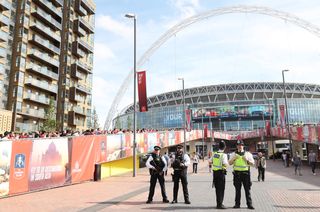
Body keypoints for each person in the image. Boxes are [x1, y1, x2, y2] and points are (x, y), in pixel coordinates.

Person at [229, 140, 255, 210]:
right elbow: (229, 163)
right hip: (237, 174)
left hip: (246, 174)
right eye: (238, 145)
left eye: (241, 145)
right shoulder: (233, 154)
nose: (239, 146)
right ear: (236, 146)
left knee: (247, 190)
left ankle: (249, 204)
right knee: (237, 190)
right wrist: (234, 159)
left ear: (243, 146)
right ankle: (237, 204)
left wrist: (246, 160)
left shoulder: (248, 154)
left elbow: (253, 164)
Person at [211, 140, 228, 209]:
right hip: (221, 173)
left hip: (215, 173)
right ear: (225, 147)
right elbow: (225, 164)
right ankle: (220, 204)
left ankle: (218, 203)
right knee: (221, 189)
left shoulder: (214, 154)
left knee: (217, 189)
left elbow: (210, 161)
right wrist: (225, 168)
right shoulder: (224, 155)